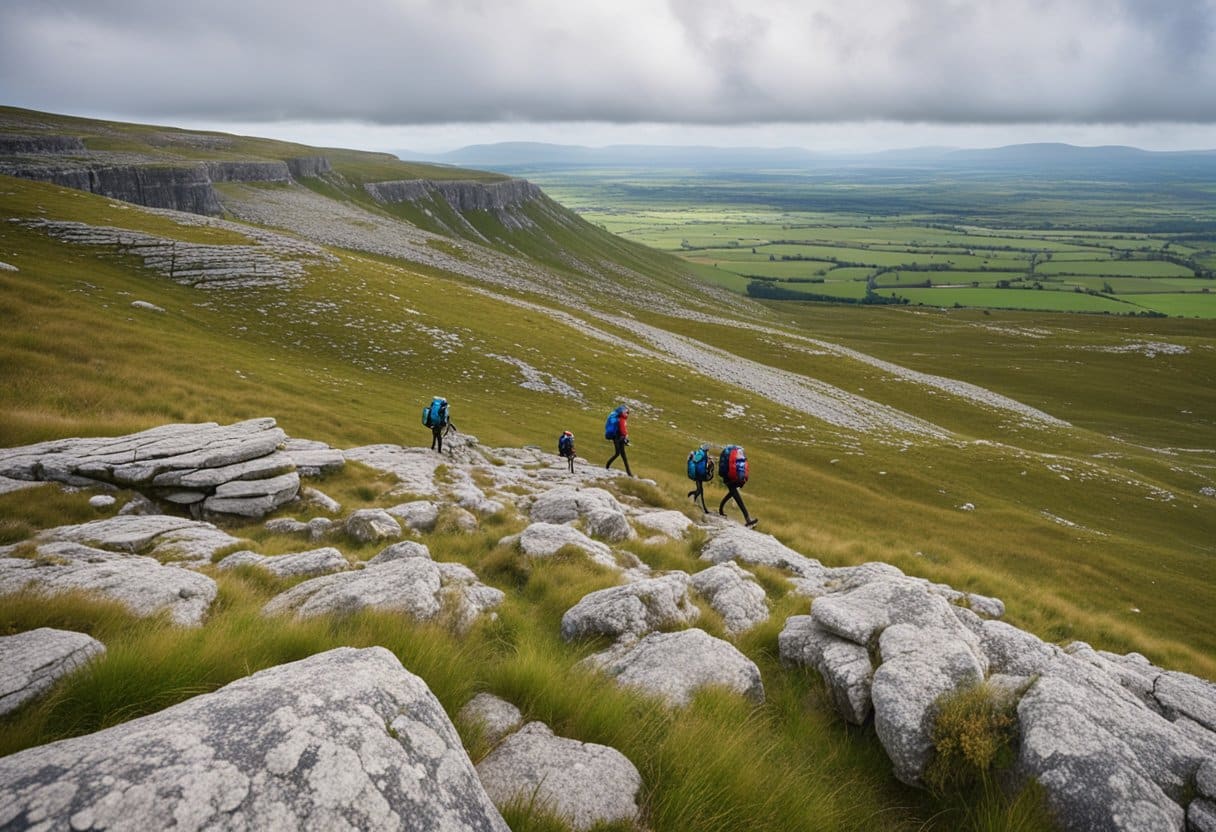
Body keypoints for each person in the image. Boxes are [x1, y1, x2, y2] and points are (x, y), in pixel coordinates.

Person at [718, 444, 758, 527]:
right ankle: (748, 519)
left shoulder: (728, 455)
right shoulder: (735, 455)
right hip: (731, 479)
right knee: (738, 498)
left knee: (733, 494)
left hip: (728, 478)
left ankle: (721, 509)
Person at [604, 405, 632, 476]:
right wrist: (626, 437)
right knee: (623, 455)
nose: (627, 414)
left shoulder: (617, 418)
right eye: (627, 413)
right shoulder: (622, 419)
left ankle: (607, 465)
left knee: (618, 453)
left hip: (616, 437)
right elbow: (623, 430)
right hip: (620, 437)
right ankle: (629, 473)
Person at [686, 443, 714, 513]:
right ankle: (691, 495)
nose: (708, 451)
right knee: (699, 491)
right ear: (706, 449)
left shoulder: (702, 453)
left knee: (700, 491)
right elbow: (695, 460)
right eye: (708, 449)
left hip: (699, 474)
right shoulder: (702, 454)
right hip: (699, 475)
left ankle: (703, 508)